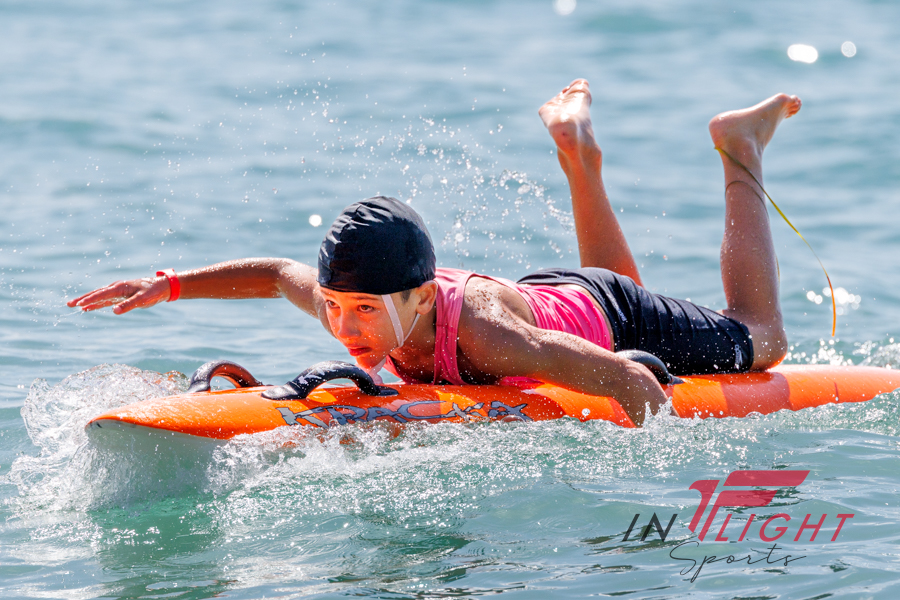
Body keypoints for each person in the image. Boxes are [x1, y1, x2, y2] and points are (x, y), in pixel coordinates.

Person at [68, 80, 799, 425]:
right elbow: (274, 273)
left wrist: (650, 473)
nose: (345, 328)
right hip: (556, 297)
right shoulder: (347, 303)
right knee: (612, 285)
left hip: (596, 313)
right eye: (335, 308)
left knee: (762, 338)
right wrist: (169, 285)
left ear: (420, 299)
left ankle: (739, 146)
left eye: (363, 311)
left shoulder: (490, 336)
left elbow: (628, 380)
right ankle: (577, 153)